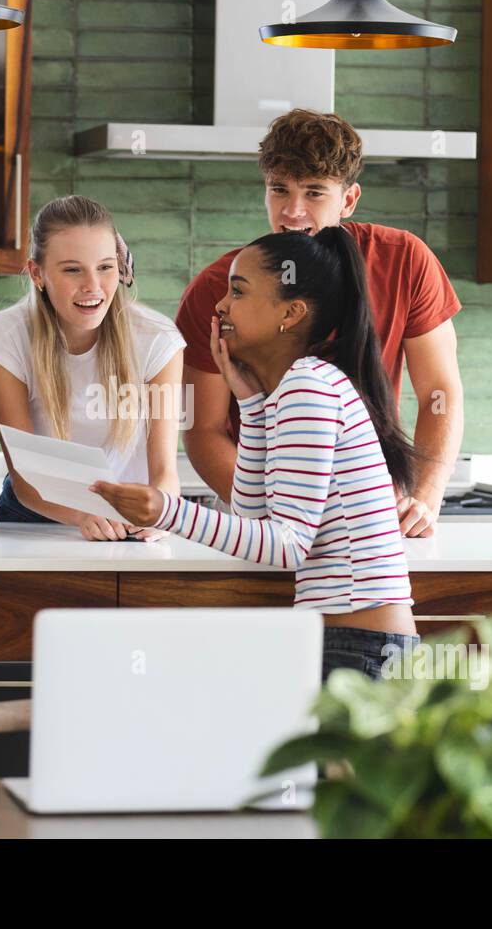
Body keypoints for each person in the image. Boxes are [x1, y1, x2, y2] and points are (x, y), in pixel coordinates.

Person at [94, 227, 420, 682]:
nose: (221, 306)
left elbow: (288, 545)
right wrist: (249, 401)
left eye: (238, 291)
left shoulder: (309, 387)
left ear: (291, 313)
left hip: (359, 651)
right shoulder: (299, 386)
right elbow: (254, 513)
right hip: (359, 646)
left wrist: (166, 512)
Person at [177, 109, 463, 539]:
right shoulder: (218, 288)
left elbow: (440, 394)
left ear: (348, 199)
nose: (293, 211)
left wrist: (424, 495)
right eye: (279, 190)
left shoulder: (404, 260)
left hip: (374, 511)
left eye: (314, 192)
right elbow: (205, 428)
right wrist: (272, 518)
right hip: (258, 512)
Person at [0, 195, 184, 542]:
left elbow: (165, 471)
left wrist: (161, 511)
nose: (92, 286)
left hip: (129, 519)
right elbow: (26, 476)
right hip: (33, 516)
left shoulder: (158, 340)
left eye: (105, 267)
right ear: (37, 273)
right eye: (73, 269)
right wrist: (84, 515)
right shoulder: (5, 337)